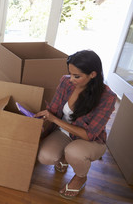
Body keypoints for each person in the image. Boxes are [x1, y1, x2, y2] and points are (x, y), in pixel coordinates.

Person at [34, 50, 117, 199]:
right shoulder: (66, 82)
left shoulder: (107, 97)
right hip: (63, 132)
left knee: (74, 152)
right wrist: (40, 122)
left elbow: (89, 134)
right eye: (70, 73)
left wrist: (55, 120)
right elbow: (53, 110)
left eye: (76, 76)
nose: (71, 79)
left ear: (93, 74)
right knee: (45, 156)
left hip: (89, 141)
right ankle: (64, 157)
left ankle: (80, 177)